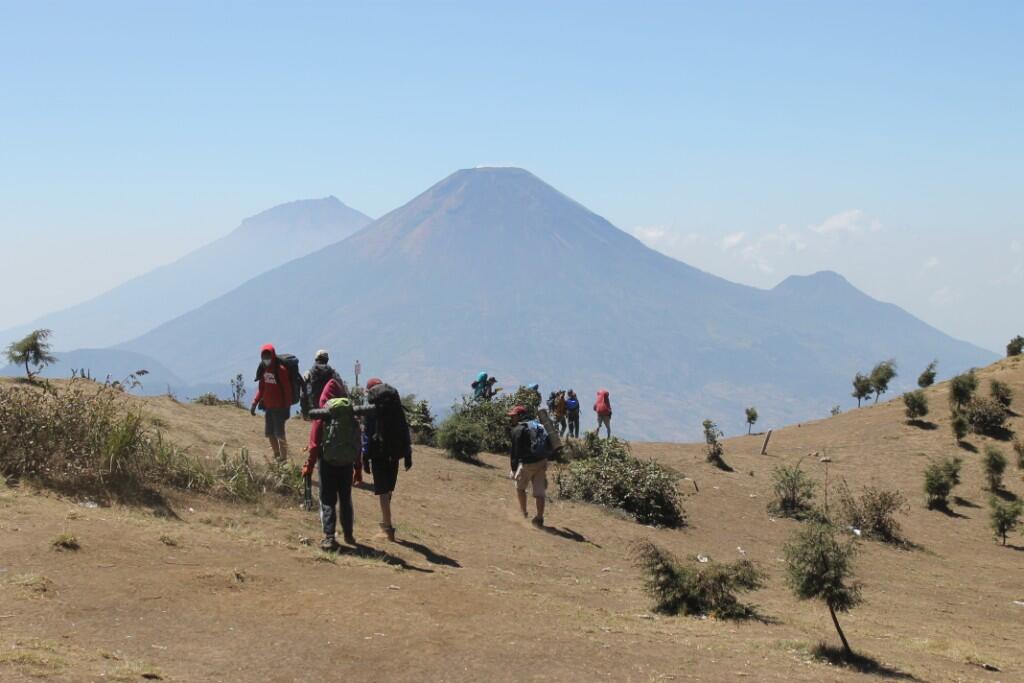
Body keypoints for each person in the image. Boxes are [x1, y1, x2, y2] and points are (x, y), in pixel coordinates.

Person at [303, 379, 359, 550]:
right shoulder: (349, 415)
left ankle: (329, 537)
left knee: (328, 498)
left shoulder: (323, 414)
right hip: (347, 463)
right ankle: (348, 534)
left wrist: (309, 466)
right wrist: (359, 467)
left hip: (327, 462)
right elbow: (357, 442)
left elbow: (313, 445)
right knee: (345, 498)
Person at [362, 378, 412, 542]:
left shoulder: (372, 408)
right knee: (388, 489)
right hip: (395, 451)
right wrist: (407, 453)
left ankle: (387, 529)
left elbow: (368, 434)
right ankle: (386, 521)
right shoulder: (395, 406)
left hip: (379, 452)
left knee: (383, 491)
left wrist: (365, 456)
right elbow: (404, 428)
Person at [507, 405, 551, 527]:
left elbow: (515, 452)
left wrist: (514, 469)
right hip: (542, 461)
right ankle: (539, 518)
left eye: (513, 416)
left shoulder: (517, 430)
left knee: (520, 487)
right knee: (539, 493)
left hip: (527, 464)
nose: (511, 418)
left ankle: (523, 513)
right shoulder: (537, 425)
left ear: (520, 416)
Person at [250, 344, 293, 463]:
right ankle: (276, 455)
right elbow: (262, 388)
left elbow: (287, 390)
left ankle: (284, 459)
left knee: (280, 433)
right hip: (268, 407)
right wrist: (255, 403)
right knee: (269, 433)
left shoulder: (281, 370)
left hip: (280, 408)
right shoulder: (264, 369)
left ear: (273, 355)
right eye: (264, 356)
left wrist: (287, 407)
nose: (266, 359)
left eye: (268, 356)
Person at [303, 349, 345, 419]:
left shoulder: (308, 374)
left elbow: (303, 395)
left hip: (314, 411)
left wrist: (305, 412)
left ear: (316, 359)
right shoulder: (334, 374)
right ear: (327, 360)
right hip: (331, 408)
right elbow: (342, 391)